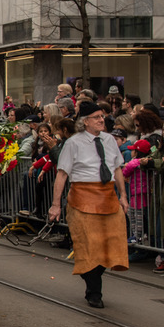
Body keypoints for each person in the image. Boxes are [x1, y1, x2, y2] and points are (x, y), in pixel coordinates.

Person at [48, 103, 129, 308]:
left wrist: (123, 196)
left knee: (112, 244)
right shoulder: (73, 143)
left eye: (102, 116)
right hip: (82, 198)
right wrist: (55, 205)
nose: (101, 120)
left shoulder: (109, 140)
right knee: (89, 246)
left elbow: (117, 169)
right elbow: (62, 174)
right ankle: (94, 291)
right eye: (96, 117)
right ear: (85, 122)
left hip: (108, 197)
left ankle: (91, 275)